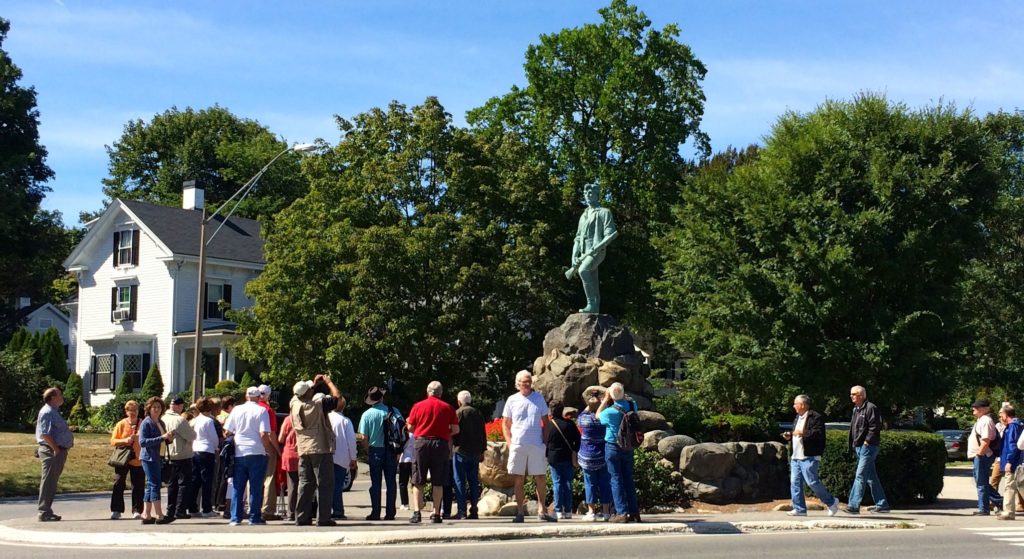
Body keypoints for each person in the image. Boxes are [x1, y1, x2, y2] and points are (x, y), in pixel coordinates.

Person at [502, 370, 556, 523]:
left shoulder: (539, 399)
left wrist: (544, 442)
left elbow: (546, 423)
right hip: (518, 444)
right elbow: (505, 424)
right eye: (524, 382)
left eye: (529, 382)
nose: (527, 384)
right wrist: (509, 443)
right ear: (517, 383)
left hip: (536, 444)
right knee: (518, 478)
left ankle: (541, 510)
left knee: (540, 477)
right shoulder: (512, 400)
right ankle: (520, 512)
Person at [405, 381, 459, 524]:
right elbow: (455, 429)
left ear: (427, 391)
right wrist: (444, 432)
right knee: (438, 481)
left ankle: (417, 513)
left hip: (421, 443)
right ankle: (436, 514)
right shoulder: (448, 408)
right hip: (440, 444)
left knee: (418, 479)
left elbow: (410, 427)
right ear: (441, 393)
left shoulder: (417, 406)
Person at [290, 374, 340, 527]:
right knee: (324, 484)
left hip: (303, 448)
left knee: (305, 483)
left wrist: (314, 383)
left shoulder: (294, 403)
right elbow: (337, 397)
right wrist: (328, 382)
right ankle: (323, 518)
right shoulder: (318, 405)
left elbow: (303, 393)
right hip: (320, 447)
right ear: (309, 393)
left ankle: (302, 517)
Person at [783, 395, 839, 517]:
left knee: (812, 482)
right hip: (796, 456)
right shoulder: (797, 417)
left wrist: (802, 433)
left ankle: (831, 502)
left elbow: (818, 433)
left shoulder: (815, 417)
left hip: (810, 456)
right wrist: (790, 436)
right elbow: (796, 434)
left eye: (795, 404)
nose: (793, 406)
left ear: (802, 405)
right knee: (795, 483)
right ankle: (799, 509)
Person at [223, 386, 273, 526]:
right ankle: (254, 517)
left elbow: (227, 431)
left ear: (246, 396)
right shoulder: (262, 410)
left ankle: (235, 517)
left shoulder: (237, 409)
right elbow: (264, 433)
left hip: (239, 452)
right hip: (257, 451)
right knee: (256, 487)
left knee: (238, 486)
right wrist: (267, 449)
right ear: (258, 397)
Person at [568, 181, 618, 314]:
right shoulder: (583, 215)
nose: (588, 195)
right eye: (585, 193)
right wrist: (574, 256)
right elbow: (578, 238)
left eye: (591, 192)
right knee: (593, 279)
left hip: (597, 250)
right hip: (584, 252)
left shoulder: (604, 212)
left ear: (597, 195)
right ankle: (595, 306)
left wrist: (599, 245)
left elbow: (609, 233)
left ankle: (591, 303)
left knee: (583, 271)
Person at [843, 385, 890, 514]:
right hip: (859, 447)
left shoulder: (871, 408)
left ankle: (853, 505)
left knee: (860, 475)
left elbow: (875, 426)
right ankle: (882, 504)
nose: (851, 396)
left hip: (868, 447)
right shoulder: (856, 409)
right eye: (851, 394)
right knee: (871, 477)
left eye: (854, 394)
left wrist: (867, 441)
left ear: (862, 395)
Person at [597, 382, 639, 523]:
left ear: (610, 394)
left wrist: (604, 400)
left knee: (615, 479)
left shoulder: (609, 412)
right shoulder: (632, 405)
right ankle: (634, 512)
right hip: (628, 446)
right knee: (628, 479)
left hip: (613, 446)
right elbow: (630, 400)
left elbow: (597, 416)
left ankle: (621, 513)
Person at [357, 386, 401, 521]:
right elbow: (402, 430)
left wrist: (366, 449)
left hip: (375, 450)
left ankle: (375, 512)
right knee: (391, 482)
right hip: (391, 450)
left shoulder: (367, 415)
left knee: (376, 483)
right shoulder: (394, 411)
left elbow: (363, 437)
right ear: (382, 397)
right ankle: (390, 513)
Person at [36, 387, 73, 522]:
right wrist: (56, 449)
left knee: (51, 482)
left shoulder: (54, 411)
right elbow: (44, 434)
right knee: (48, 482)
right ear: (53, 398)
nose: (62, 396)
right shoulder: (47, 412)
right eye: (59, 395)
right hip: (51, 450)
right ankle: (44, 512)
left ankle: (46, 511)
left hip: (56, 450)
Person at [577, 387, 612, 521]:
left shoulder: (583, 419)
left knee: (590, 483)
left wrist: (591, 403)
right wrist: (604, 401)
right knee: (604, 483)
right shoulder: (603, 420)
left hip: (587, 456)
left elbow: (581, 414)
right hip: (603, 455)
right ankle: (606, 511)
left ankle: (591, 511)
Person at [138, 396, 175, 524]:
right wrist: (162, 437)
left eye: (159, 407)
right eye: (154, 407)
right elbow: (142, 442)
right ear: (149, 408)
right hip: (149, 457)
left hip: (159, 456)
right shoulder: (146, 422)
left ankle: (147, 514)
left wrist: (168, 438)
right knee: (155, 484)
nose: (157, 409)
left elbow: (164, 438)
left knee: (150, 485)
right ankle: (159, 515)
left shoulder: (160, 422)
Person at [452, 389, 487, 520]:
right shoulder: (478, 413)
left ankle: (462, 511)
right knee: (473, 481)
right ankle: (474, 509)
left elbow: (454, 432)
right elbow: (483, 433)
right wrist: (482, 450)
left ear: (459, 401)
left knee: (459, 481)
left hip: (460, 451)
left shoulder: (458, 413)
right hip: (475, 452)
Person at [187, 397, 222, 518]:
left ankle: (192, 507)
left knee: (195, 480)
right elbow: (214, 438)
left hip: (194, 450)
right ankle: (207, 508)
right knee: (207, 480)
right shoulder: (209, 421)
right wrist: (216, 447)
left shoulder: (194, 420)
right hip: (207, 451)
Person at [109, 399, 144, 520]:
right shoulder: (121, 424)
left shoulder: (143, 423)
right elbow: (113, 441)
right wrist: (125, 440)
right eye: (130, 410)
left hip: (138, 458)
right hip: (123, 459)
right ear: (126, 411)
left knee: (138, 485)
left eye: (135, 410)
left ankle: (137, 510)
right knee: (118, 483)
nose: (133, 413)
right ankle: (116, 510)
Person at [163, 396, 196, 519]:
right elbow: (192, 435)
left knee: (171, 484)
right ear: (178, 406)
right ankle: (180, 510)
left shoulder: (163, 418)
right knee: (183, 484)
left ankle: (170, 509)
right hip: (182, 454)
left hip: (167, 454)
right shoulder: (180, 420)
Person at [969, 399, 1003, 516]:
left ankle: (984, 509)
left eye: (977, 407)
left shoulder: (986, 421)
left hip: (983, 455)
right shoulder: (981, 420)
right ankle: (999, 501)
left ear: (984, 409)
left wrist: (979, 454)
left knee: (981, 483)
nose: (974, 409)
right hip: (980, 455)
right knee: (981, 482)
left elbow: (986, 440)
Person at [547, 405, 581, 519]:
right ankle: (568, 510)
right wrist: (575, 450)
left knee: (557, 483)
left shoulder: (550, 425)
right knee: (568, 483)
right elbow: (578, 439)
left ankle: (558, 510)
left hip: (554, 456)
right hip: (567, 455)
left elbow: (546, 441)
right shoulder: (570, 424)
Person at [329, 395, 358, 520]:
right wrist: (353, 458)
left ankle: (324, 509)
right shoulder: (345, 421)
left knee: (326, 485)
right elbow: (351, 441)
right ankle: (338, 510)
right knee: (337, 486)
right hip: (341, 457)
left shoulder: (325, 418)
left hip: (326, 456)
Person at [256, 384, 283, 521]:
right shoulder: (268, 410)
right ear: (268, 395)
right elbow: (271, 432)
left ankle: (252, 506)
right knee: (269, 477)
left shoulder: (247, 408)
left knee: (253, 478)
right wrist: (278, 450)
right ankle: (267, 510)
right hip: (267, 446)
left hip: (252, 447)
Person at [997, 405, 1023, 520]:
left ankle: (1008, 512)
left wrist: (1009, 461)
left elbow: (1012, 446)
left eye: (1001, 414)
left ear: (1006, 415)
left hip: (1014, 462)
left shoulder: (1012, 426)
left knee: (1009, 486)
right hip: (1018, 461)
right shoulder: (1018, 425)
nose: (1000, 417)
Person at [278, 412, 300, 521]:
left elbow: (281, 438)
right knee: (305, 485)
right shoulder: (306, 419)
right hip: (302, 454)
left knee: (292, 486)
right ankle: (302, 512)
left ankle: (291, 513)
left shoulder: (288, 420)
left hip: (290, 454)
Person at [398, 431, 415, 511]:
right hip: (414, 459)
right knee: (415, 483)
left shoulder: (404, 434)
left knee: (403, 483)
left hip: (404, 459)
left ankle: (405, 503)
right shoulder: (417, 434)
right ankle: (417, 503)